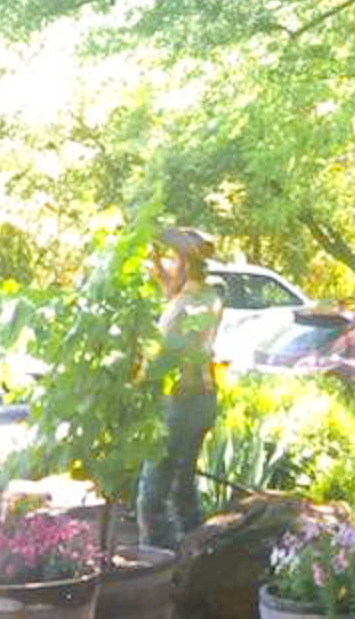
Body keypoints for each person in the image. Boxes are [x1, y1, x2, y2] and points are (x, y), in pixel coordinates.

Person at [137, 224, 224, 550]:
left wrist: (137, 372)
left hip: (180, 402)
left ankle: (159, 568)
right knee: (183, 486)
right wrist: (167, 284)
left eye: (170, 259)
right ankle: (195, 559)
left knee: (152, 496)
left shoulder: (185, 305)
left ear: (185, 263)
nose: (163, 266)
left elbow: (163, 354)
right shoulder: (209, 297)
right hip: (203, 399)